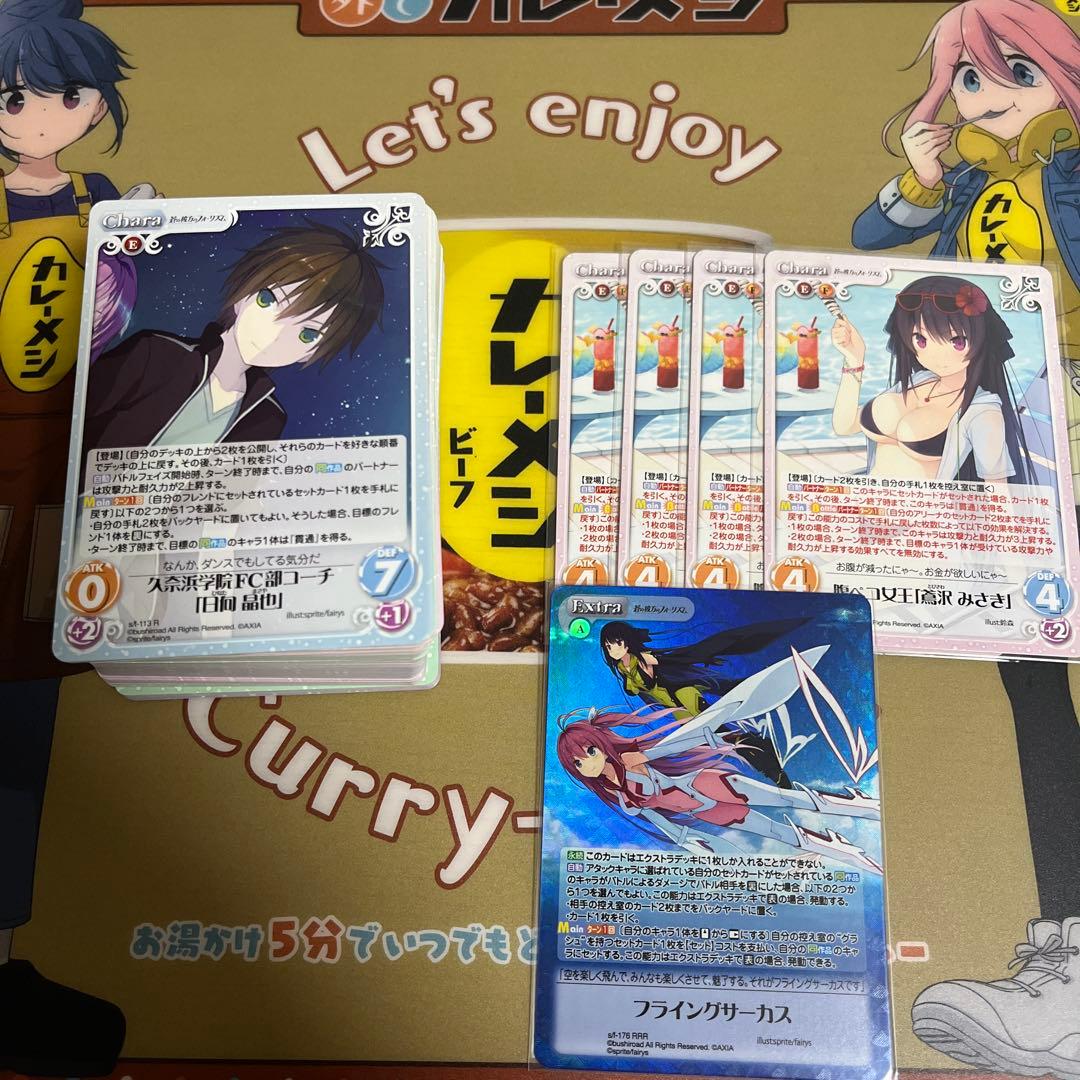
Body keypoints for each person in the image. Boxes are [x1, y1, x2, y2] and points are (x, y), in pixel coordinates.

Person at [851, 3, 1080, 1075]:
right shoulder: (979, 187)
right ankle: (1068, 954)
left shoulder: (1061, 179)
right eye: (971, 78)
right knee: (1032, 674)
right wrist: (922, 174)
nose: (984, 98)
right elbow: (872, 240)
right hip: (1017, 451)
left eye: (1014, 73)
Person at [0, 0, 155, 1071]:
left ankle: (5, 952)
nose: (39, 114)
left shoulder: (107, 201)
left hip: (68, 481)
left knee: (27, 725)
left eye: (64, 93)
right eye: (14, 96)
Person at [81, 221, 384, 457]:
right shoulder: (157, 354)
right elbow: (73, 425)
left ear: (313, 351)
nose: (274, 335)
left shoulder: (267, 417)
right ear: (242, 296)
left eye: (307, 334)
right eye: (268, 300)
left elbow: (228, 503)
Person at [830, 274, 1029, 483]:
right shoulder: (919, 380)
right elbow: (845, 426)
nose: (936, 356)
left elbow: (997, 490)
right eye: (921, 339)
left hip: (921, 503)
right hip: (867, 496)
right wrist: (854, 359)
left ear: (980, 340)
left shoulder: (982, 410)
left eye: (957, 341)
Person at [598, 617, 812, 787]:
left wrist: (703, 656)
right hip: (676, 709)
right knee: (721, 740)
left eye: (616, 643)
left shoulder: (644, 658)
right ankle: (760, 750)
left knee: (720, 736)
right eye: (608, 646)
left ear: (626, 641)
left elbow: (678, 660)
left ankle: (769, 766)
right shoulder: (623, 669)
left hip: (685, 697)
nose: (613, 649)